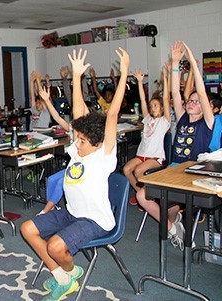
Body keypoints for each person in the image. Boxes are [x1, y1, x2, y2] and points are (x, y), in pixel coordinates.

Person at [21, 47, 130, 301]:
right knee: (28, 228)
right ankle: (64, 277)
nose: (76, 144)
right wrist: (76, 77)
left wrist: (124, 74)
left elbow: (111, 114)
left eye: (81, 140)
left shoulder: (104, 156)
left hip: (94, 220)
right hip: (72, 214)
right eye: (77, 139)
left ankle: (69, 273)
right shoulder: (79, 149)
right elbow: (79, 114)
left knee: (55, 246)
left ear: (97, 142)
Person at [136, 41, 214, 250]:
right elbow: (175, 93)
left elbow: (202, 92)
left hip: (194, 173)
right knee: (141, 196)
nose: (191, 102)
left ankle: (175, 225)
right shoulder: (182, 119)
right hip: (173, 169)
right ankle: (174, 229)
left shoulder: (207, 122)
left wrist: (192, 62)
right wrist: (175, 63)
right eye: (190, 100)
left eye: (196, 101)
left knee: (174, 204)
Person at [123, 69, 170, 205]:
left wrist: (165, 79)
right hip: (142, 154)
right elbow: (143, 100)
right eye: (151, 106)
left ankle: (147, 198)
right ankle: (140, 193)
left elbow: (166, 98)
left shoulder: (164, 122)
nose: (152, 108)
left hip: (155, 157)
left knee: (138, 171)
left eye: (155, 105)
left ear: (162, 108)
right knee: (126, 169)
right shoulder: (148, 119)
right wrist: (139, 82)